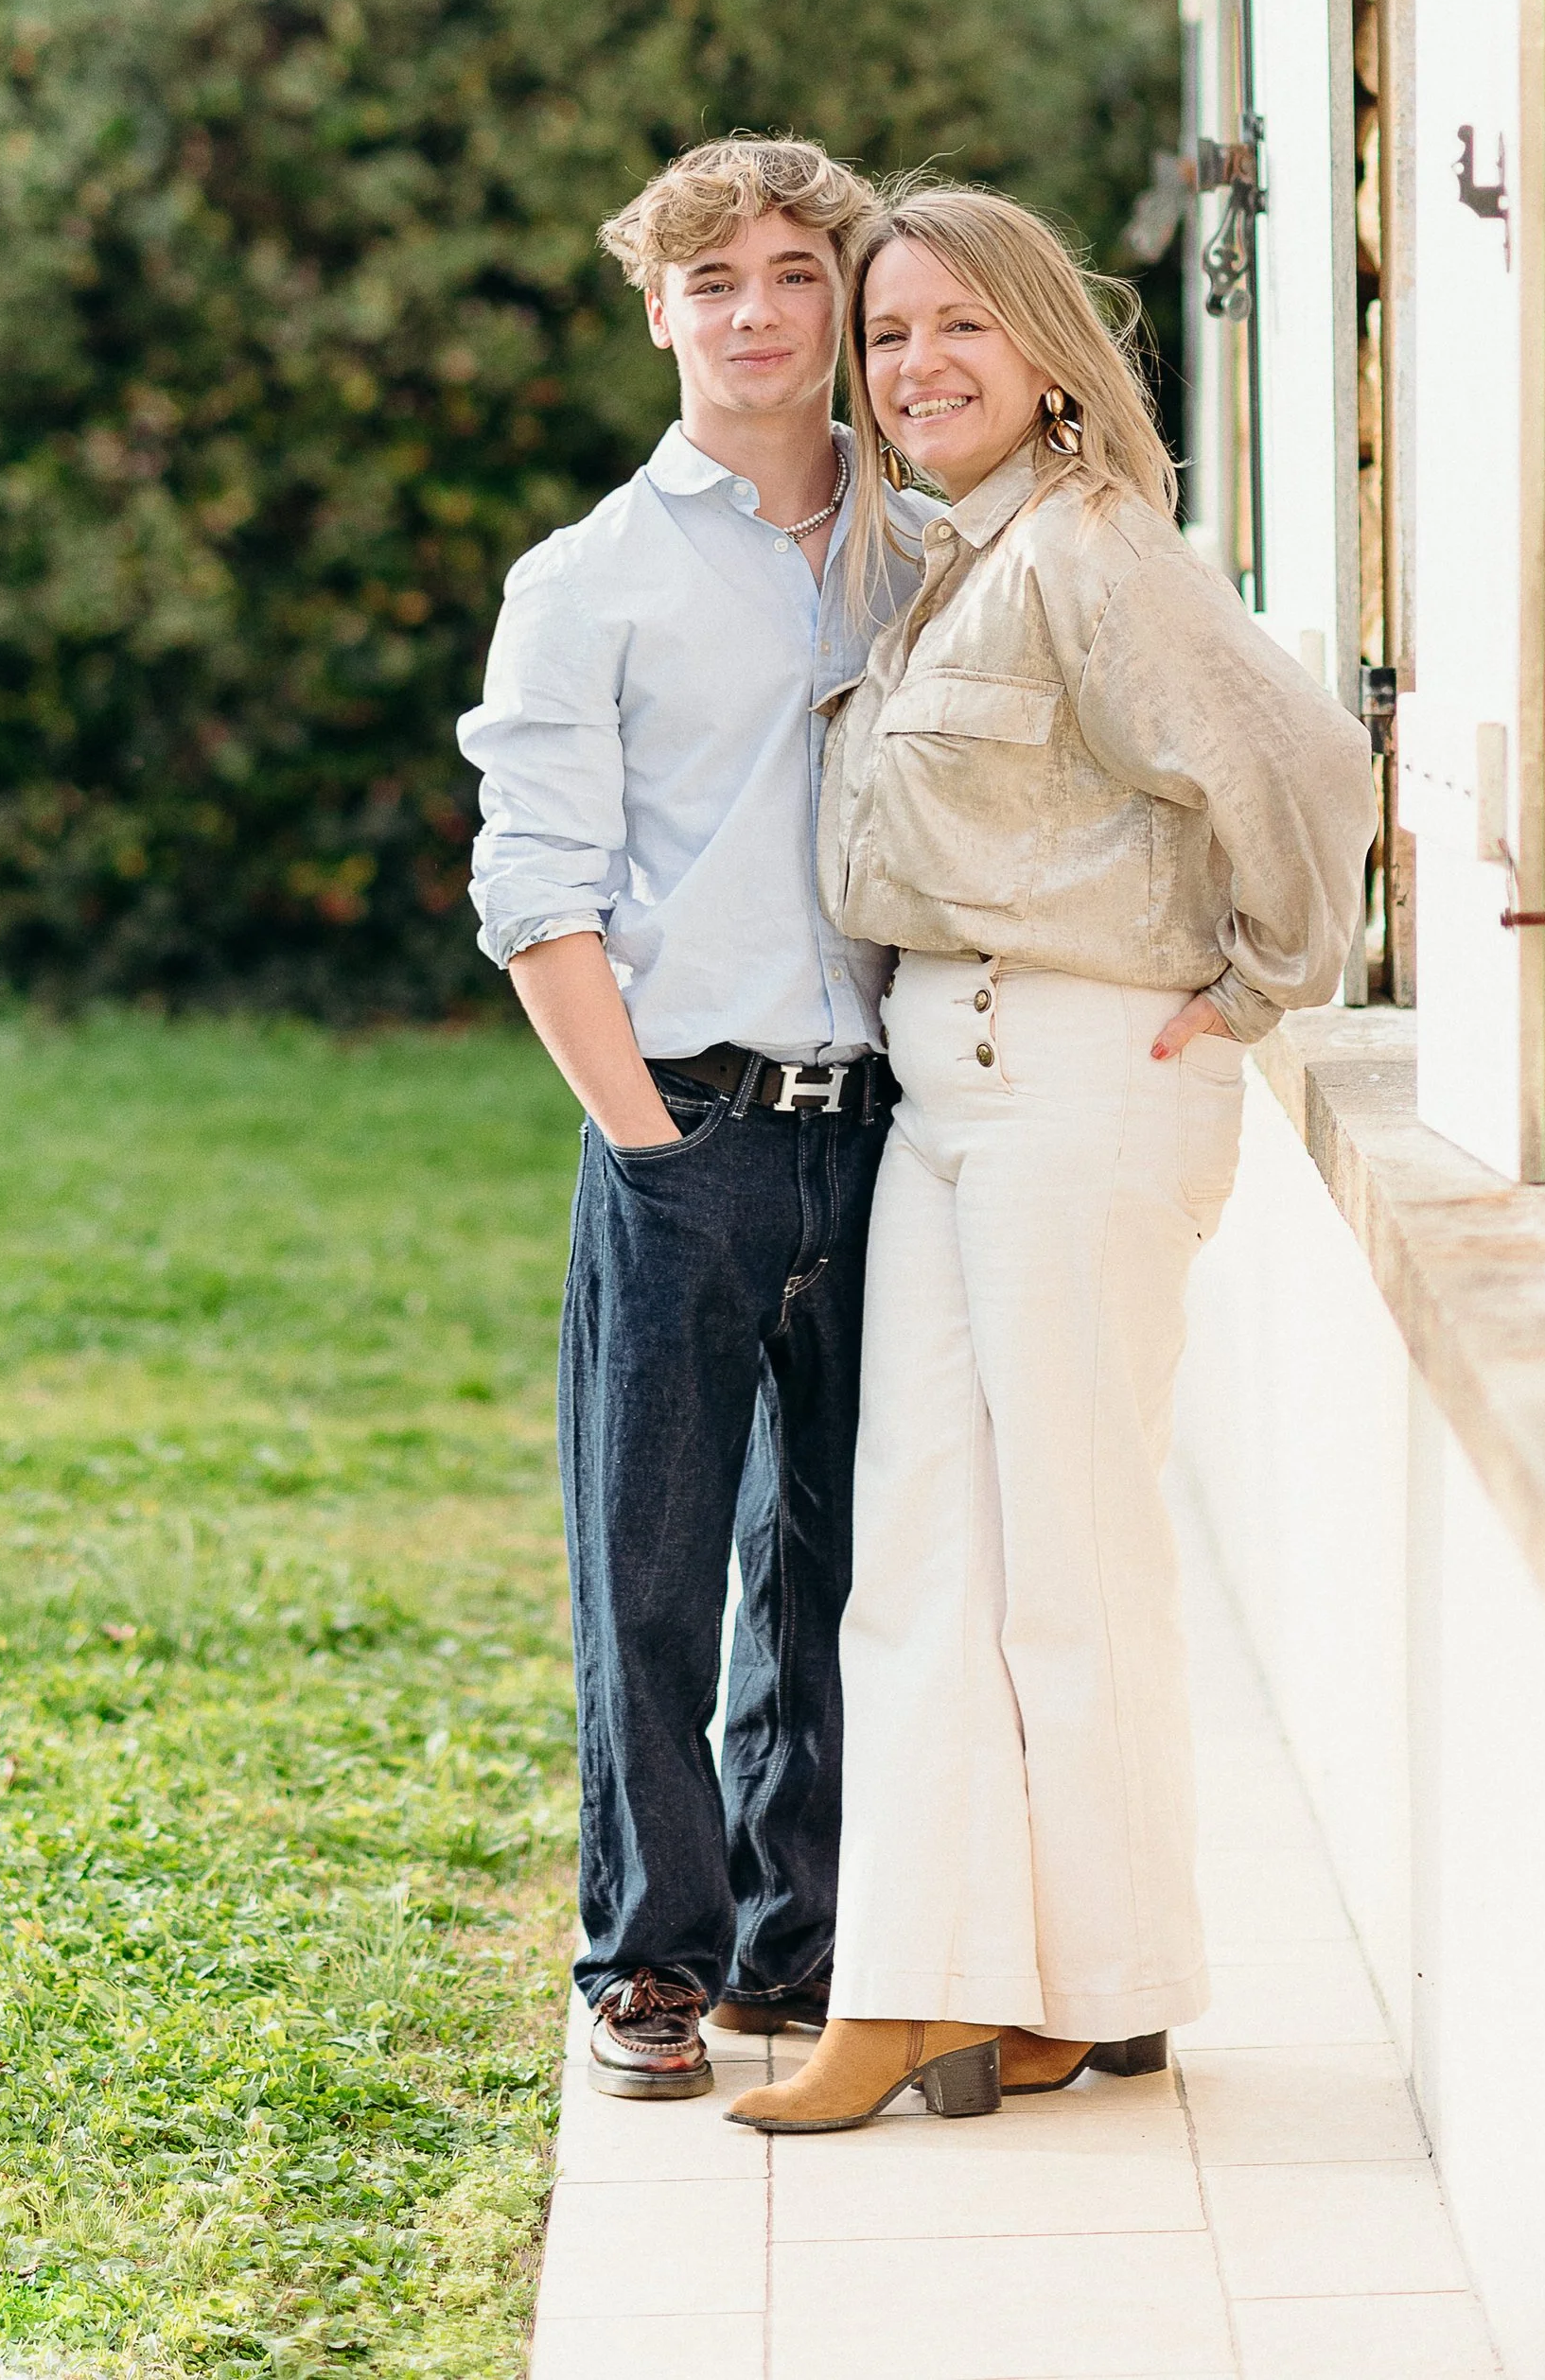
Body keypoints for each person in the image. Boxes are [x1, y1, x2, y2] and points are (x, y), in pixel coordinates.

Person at [729, 186, 1377, 2136]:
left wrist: (1257, 982)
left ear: (1042, 350)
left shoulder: (1093, 550)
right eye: (887, 335)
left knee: (1063, 1557)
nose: (913, 365)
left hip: (1081, 1087)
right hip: (958, 1094)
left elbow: (1299, 762)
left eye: (956, 329)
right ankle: (1007, 1985)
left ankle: (1007, 1988)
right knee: (926, 1544)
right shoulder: (958, 555)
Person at [459, 135, 921, 2105]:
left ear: (838, 298)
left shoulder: (928, 550)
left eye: (791, 274)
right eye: (708, 277)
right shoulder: (588, 582)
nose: (751, 311)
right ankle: (645, 1948)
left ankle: (791, 1942)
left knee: (841, 1555)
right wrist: (647, 1139)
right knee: (647, 1562)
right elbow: (535, 892)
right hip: (688, 1131)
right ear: (656, 307)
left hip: (898, 1126)